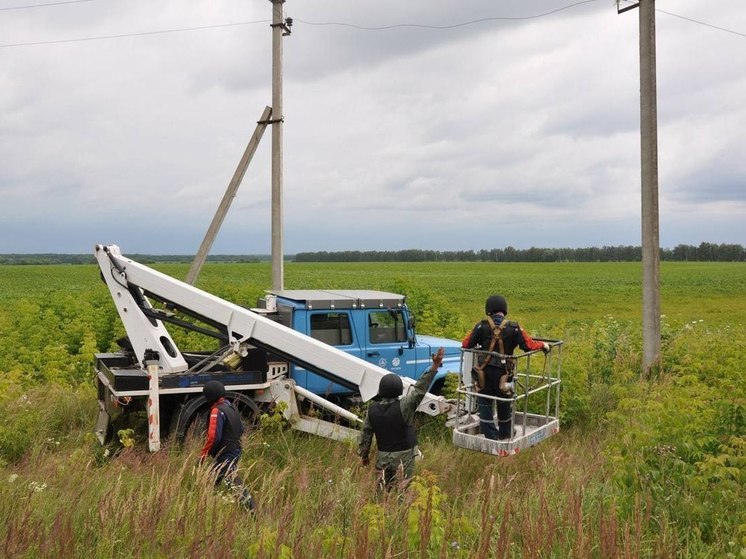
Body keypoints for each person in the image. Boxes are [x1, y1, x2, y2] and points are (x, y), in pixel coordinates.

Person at [462, 295, 549, 440]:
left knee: (484, 402)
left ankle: (491, 436)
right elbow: (528, 345)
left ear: (488, 309)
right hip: (504, 373)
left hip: (484, 373)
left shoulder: (481, 326)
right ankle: (505, 433)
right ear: (504, 309)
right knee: (504, 402)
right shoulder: (514, 328)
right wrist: (543, 345)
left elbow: (466, 344)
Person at [358, 347, 444, 491]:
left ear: (381, 390)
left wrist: (364, 455)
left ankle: (383, 510)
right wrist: (434, 366)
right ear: (399, 389)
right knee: (403, 490)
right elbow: (419, 389)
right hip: (404, 456)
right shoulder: (405, 406)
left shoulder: (372, 409)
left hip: (383, 455)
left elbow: (366, 435)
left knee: (381, 491)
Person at [200, 380, 255, 511]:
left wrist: (203, 455)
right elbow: (241, 428)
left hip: (226, 453)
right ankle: (211, 505)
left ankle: (251, 509)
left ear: (209, 396)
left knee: (231, 480)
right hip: (235, 449)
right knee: (213, 478)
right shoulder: (231, 406)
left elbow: (213, 437)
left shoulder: (216, 411)